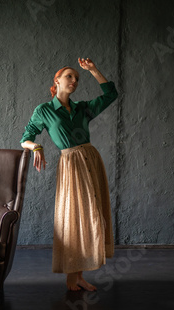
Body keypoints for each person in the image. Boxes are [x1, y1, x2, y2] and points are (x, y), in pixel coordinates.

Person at [20, 58, 118, 291]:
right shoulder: (44, 110)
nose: (74, 81)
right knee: (75, 218)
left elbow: (110, 94)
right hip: (71, 166)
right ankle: (71, 278)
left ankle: (79, 276)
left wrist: (94, 70)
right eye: (69, 76)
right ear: (57, 81)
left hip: (91, 161)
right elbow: (26, 138)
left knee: (91, 216)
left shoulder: (82, 108)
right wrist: (37, 147)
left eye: (77, 78)